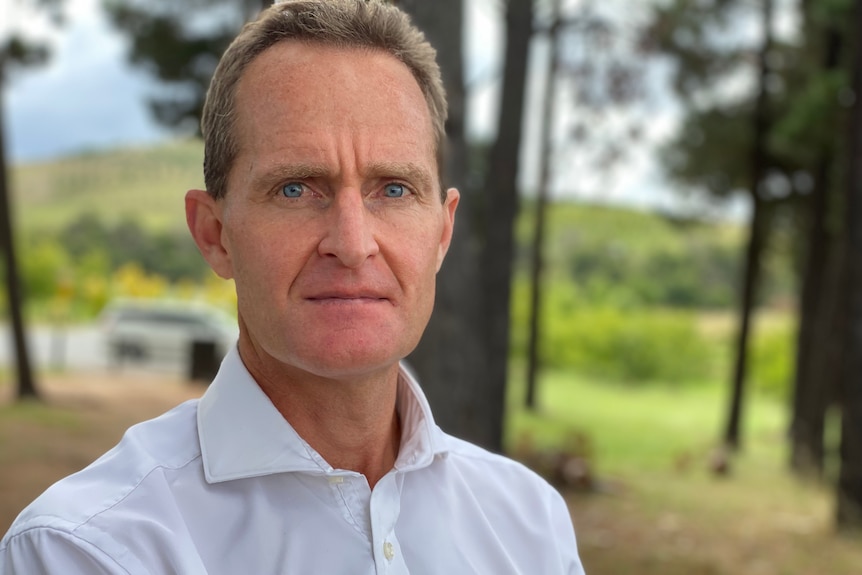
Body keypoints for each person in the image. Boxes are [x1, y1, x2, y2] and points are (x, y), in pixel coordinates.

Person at [0, 1, 586, 573]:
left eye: (394, 189)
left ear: (442, 232)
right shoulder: (86, 550)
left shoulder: (530, 523)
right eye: (296, 189)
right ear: (215, 235)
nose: (352, 244)